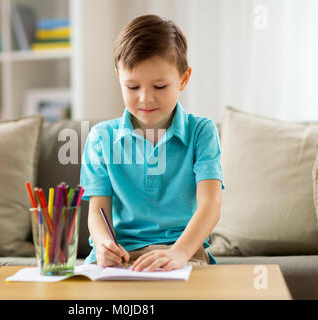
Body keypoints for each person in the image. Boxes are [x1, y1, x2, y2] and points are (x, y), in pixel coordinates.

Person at [80, 14, 225, 272]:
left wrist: (179, 253)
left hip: (181, 251)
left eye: (159, 86)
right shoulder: (101, 138)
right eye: (133, 86)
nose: (146, 98)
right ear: (119, 78)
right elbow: (97, 211)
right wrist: (103, 245)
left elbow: (210, 204)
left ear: (183, 78)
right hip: (121, 255)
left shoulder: (201, 132)